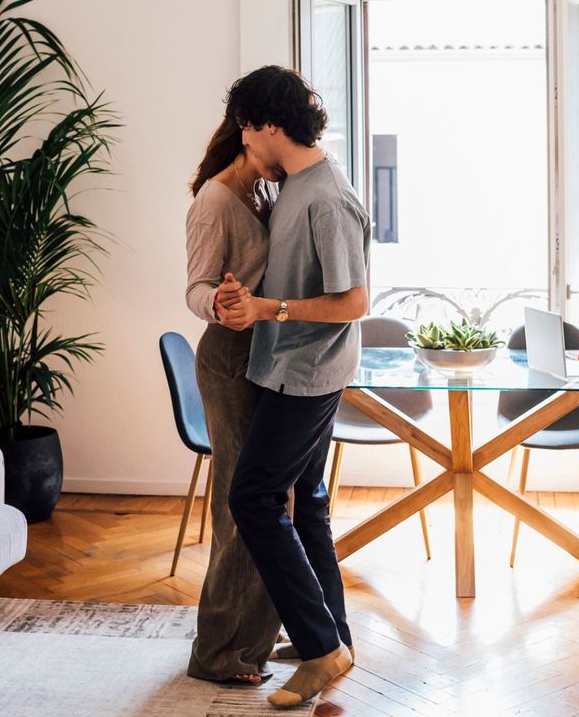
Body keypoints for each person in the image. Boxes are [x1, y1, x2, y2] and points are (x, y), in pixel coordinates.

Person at [216, 65, 371, 708]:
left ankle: (319, 650)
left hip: (308, 377)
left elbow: (355, 300)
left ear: (266, 125)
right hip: (293, 369)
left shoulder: (327, 197)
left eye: (246, 131)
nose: (244, 145)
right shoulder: (298, 184)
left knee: (252, 498)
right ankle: (331, 637)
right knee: (306, 502)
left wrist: (268, 310)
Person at [182, 116, 284, 685]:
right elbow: (195, 285)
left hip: (264, 355)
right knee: (235, 506)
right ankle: (216, 652)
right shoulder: (215, 200)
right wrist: (219, 303)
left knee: (268, 504)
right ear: (250, 133)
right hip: (229, 357)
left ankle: (255, 641)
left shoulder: (265, 188)